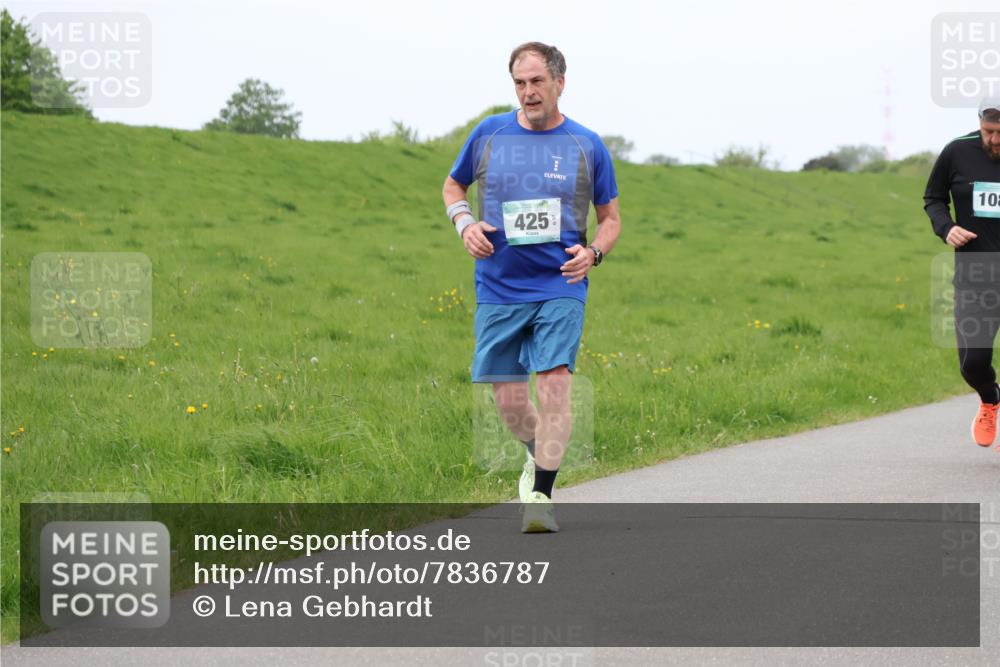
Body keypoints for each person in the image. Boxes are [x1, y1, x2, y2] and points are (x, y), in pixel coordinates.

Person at [441, 42, 621, 532]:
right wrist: (465, 225)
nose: (528, 92)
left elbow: (610, 220)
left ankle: (541, 494)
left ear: (560, 82)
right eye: (519, 83)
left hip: (560, 281)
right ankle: (536, 456)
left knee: (556, 381)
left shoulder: (587, 145)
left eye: (537, 81)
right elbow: (453, 186)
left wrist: (594, 253)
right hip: (499, 284)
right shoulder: (488, 135)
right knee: (509, 400)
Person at [924, 95, 1000, 447]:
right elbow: (934, 197)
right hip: (975, 279)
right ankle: (990, 401)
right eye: (989, 131)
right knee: (972, 363)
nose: (995, 140)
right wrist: (946, 227)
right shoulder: (957, 151)